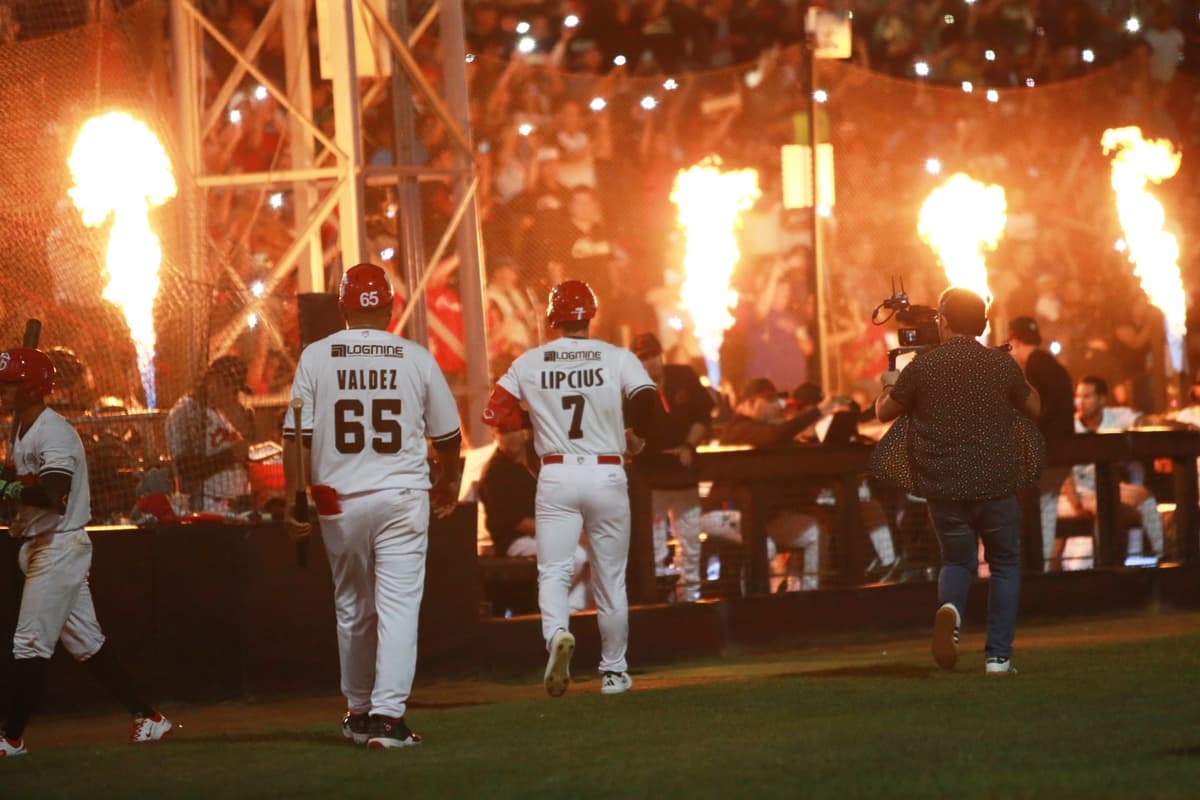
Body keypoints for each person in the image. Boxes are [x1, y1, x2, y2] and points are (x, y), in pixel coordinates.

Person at [282, 263, 462, 750]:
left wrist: (291, 500)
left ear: (342, 308)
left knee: (352, 607)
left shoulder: (316, 356)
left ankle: (358, 712)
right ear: (388, 307)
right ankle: (386, 717)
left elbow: (295, 436)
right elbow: (448, 436)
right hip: (400, 494)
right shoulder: (415, 356)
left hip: (337, 499)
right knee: (398, 605)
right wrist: (450, 482)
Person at [482, 279, 659, 698]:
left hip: (557, 472)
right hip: (607, 470)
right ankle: (614, 672)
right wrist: (636, 437)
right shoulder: (617, 357)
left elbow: (496, 411)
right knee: (610, 579)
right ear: (590, 315)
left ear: (553, 318)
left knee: (554, 570)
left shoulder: (529, 362)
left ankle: (557, 634)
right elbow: (648, 399)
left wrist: (525, 434)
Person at [0, 348, 171, 757]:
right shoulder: (19, 429)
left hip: (58, 544)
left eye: (9, 385)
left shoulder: (53, 432)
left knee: (29, 643)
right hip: (42, 543)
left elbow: (53, 494)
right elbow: (20, 480)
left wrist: (7, 487)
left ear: (31, 387)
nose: (3, 391)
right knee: (87, 643)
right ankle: (149, 718)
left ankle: (10, 739)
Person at [876, 288, 1041, 675]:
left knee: (957, 560)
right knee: (1004, 563)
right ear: (983, 324)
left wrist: (888, 382)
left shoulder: (925, 366)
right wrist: (1012, 369)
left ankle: (950, 611)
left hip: (944, 484)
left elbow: (885, 412)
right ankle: (998, 659)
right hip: (997, 481)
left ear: (944, 321)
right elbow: (1034, 406)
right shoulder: (999, 364)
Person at [631, 332, 713, 602]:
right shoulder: (630, 390)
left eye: (653, 355)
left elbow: (704, 414)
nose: (650, 362)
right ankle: (657, 600)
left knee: (690, 540)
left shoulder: (683, 376)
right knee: (653, 544)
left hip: (682, 472)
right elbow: (626, 432)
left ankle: (688, 599)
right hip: (651, 477)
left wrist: (689, 445)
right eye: (643, 358)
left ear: (661, 354)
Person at [478, 426, 590, 612]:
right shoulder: (494, 472)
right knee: (574, 557)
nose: (511, 436)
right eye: (504, 432)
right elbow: (516, 521)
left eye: (513, 430)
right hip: (515, 541)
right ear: (494, 435)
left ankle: (575, 610)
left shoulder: (536, 459)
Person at [1060, 376, 1164, 562]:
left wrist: (1156, 434)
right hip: (1079, 490)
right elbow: (1063, 473)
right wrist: (1076, 502)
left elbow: (1144, 422)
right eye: (1078, 396)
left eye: (1087, 396)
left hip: (1108, 485)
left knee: (1146, 497)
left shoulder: (1116, 416)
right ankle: (1105, 565)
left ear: (1102, 399)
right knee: (1105, 505)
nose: (1080, 402)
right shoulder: (1068, 425)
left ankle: (1163, 555)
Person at [1008, 315, 1075, 571]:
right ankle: (1043, 567)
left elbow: (1043, 409)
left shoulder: (1036, 364)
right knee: (1045, 510)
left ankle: (1035, 570)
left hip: (1050, 450)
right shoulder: (1048, 362)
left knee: (1032, 509)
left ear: (1014, 341)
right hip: (1062, 449)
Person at [165, 355, 254, 513]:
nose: (234, 397)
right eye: (232, 390)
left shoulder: (221, 410)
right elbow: (185, 470)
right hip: (205, 507)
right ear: (212, 382)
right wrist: (231, 455)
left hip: (235, 506)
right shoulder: (185, 412)